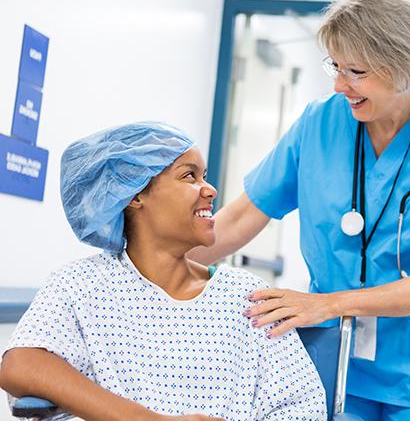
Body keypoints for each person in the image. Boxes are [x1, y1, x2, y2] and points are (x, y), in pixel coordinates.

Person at [189, 0, 410, 420]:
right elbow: (243, 215)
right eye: (335, 66)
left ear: (402, 68)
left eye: (355, 72)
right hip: (334, 356)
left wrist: (330, 304)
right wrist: (151, 259)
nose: (339, 85)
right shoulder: (320, 123)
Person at [0, 122, 326, 421]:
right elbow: (20, 365)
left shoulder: (247, 296)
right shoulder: (82, 285)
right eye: (189, 176)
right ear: (136, 194)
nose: (210, 189)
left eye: (204, 176)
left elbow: (303, 405)